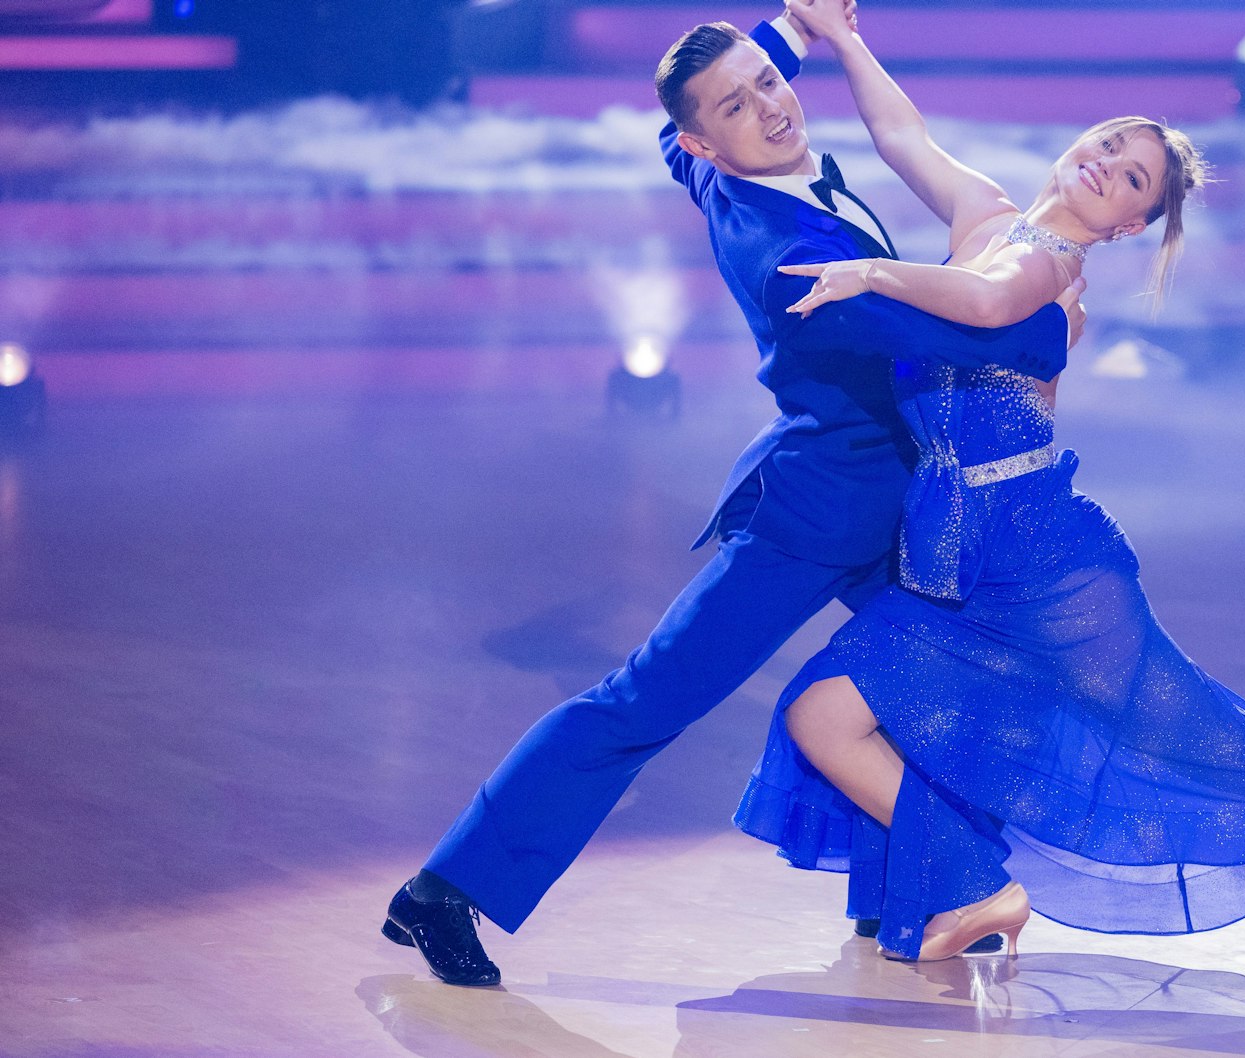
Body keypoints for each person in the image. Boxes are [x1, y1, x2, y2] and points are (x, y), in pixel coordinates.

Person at [734, 0, 1245, 977]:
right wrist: (843, 38)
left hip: (1043, 562)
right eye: (1108, 143)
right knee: (824, 714)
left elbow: (987, 300)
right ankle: (977, 883)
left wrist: (869, 272)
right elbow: (901, 134)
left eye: (1129, 176)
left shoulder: (1050, 265)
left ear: (1127, 223)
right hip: (948, 560)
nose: (1103, 163)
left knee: (1203, 735)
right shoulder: (985, 214)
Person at [380, 2, 1084, 987]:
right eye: (738, 105)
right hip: (817, 517)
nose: (770, 106)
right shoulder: (784, 256)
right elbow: (957, 335)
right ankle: (441, 892)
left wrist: (790, 27)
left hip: (894, 505)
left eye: (769, 81)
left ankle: (903, 894)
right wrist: (1056, 310)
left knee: (938, 680)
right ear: (704, 137)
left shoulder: (709, 164)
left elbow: (717, 105)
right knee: (644, 697)